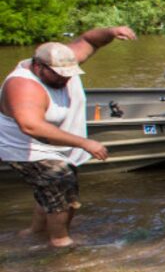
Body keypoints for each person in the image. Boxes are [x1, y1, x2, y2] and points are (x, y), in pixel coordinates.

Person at [1, 27, 137, 247]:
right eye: (58, 75)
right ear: (38, 66)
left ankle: (34, 234)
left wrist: (112, 32)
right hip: (27, 149)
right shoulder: (23, 85)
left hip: (54, 146)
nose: (65, 79)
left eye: (68, 74)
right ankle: (60, 243)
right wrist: (85, 143)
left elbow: (89, 41)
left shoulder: (62, 60)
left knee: (47, 189)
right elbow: (30, 126)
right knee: (60, 181)